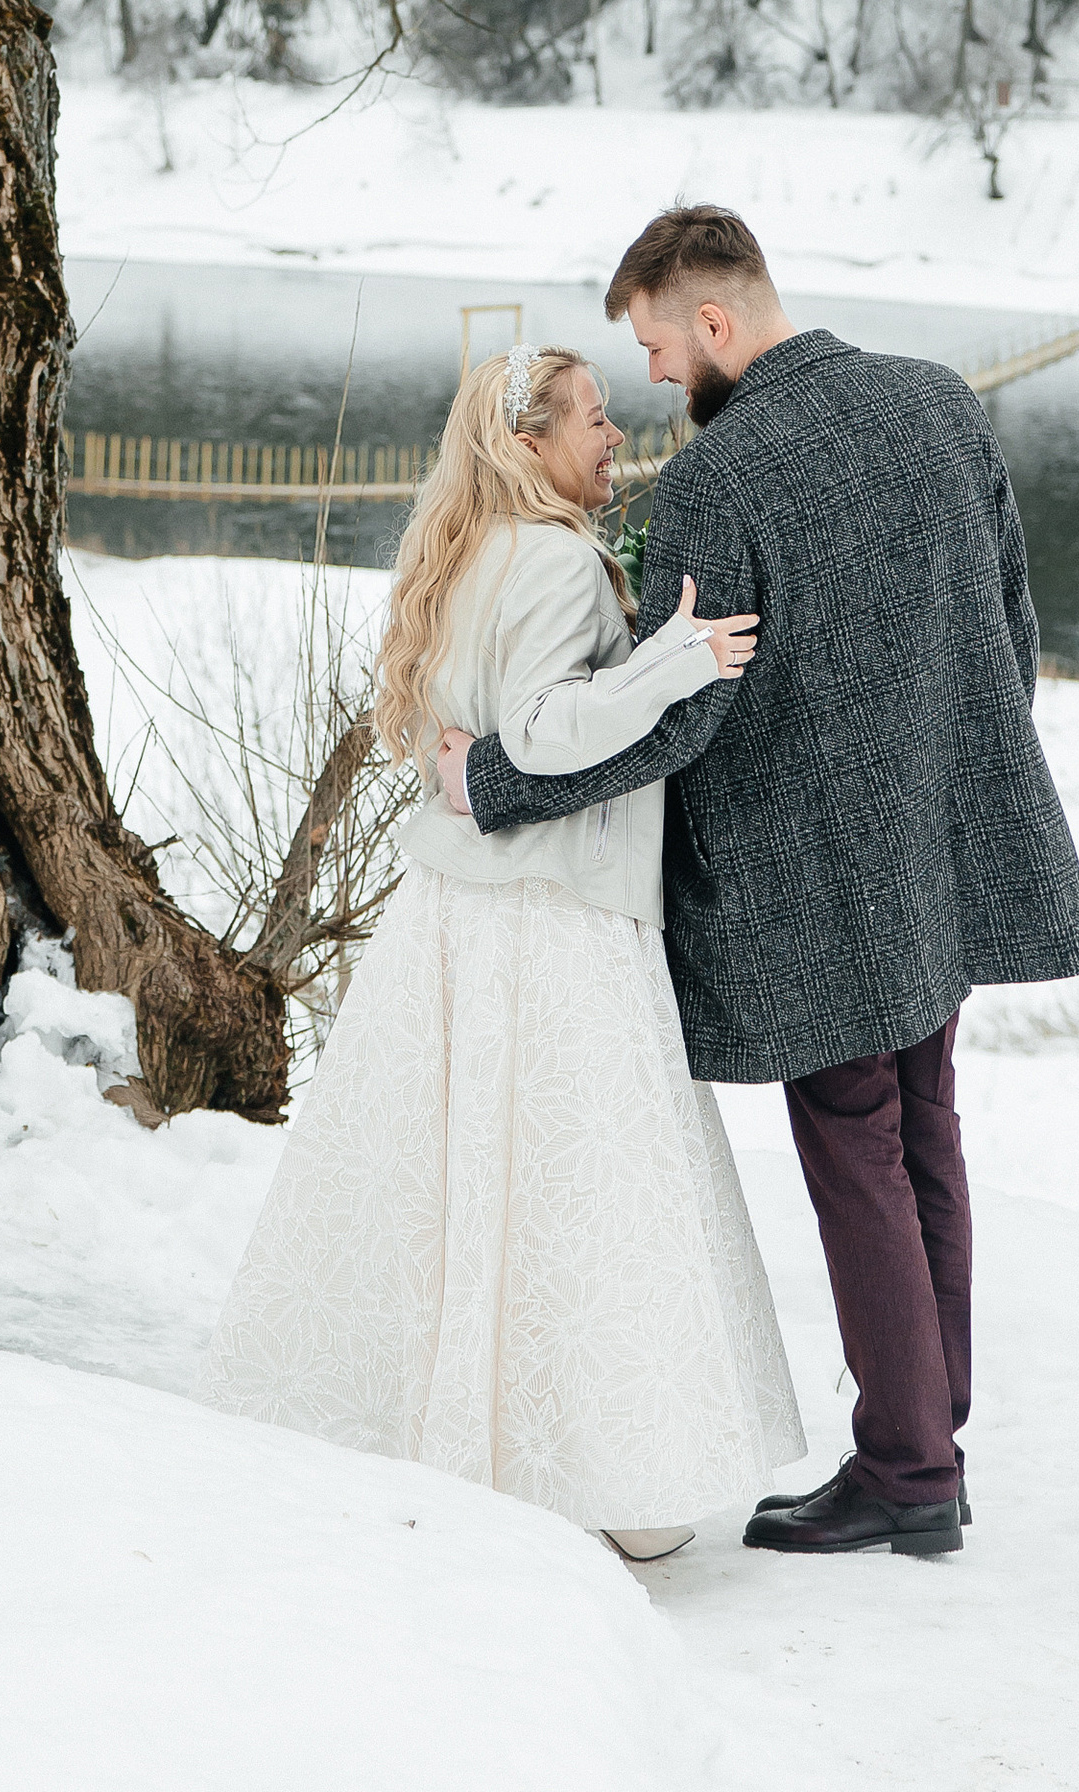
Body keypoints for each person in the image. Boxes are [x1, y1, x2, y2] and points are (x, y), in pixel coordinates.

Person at [441, 204, 1079, 1563]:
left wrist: (491, 781)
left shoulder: (716, 481)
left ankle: (909, 1470)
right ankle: (927, 1449)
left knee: (859, 1150)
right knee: (926, 1130)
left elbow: (677, 718)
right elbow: (1010, 616)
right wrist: (942, 778)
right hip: (938, 847)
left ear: (714, 321)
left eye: (657, 348)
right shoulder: (940, 403)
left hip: (813, 885)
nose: (652, 379)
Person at [207, 340, 803, 1562]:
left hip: (458, 910)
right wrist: (674, 661)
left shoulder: (467, 550)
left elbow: (467, 738)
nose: (613, 435)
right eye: (591, 417)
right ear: (527, 443)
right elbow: (538, 734)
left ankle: (450, 1434)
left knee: (466, 1175)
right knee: (581, 1186)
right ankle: (617, 1476)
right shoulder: (552, 559)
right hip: (553, 911)